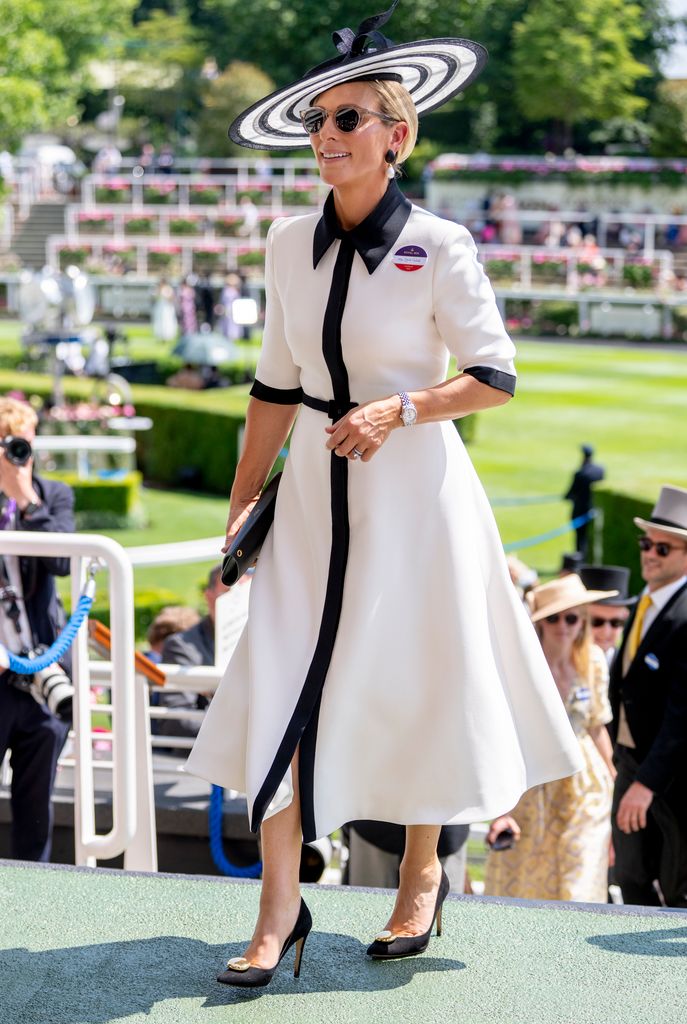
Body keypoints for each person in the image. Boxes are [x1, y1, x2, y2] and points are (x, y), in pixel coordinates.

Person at [185, 2, 581, 988]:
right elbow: (274, 388)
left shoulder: (441, 246)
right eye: (321, 120)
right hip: (313, 504)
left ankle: (420, 871)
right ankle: (280, 909)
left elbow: (494, 375)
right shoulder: (285, 243)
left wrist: (399, 409)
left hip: (418, 501)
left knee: (420, 686)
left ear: (397, 138)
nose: (328, 135)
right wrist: (239, 512)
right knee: (276, 686)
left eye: (349, 119)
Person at [485, 574, 617, 903]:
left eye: (572, 617)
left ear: (582, 621)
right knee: (526, 878)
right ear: (540, 623)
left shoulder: (594, 661)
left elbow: (596, 726)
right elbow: (506, 732)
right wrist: (501, 804)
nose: (563, 626)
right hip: (534, 775)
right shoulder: (523, 664)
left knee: (580, 881)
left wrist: (615, 780)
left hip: (584, 782)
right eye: (553, 618)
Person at [0, 396, 75, 861]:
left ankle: (31, 900)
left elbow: (62, 560)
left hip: (42, 671)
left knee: (34, 809)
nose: (13, 456)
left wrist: (23, 497)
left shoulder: (53, 495)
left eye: (21, 446)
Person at [609, 485, 687, 908]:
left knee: (678, 889)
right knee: (630, 877)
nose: (650, 553)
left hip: (671, 780)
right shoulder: (645, 602)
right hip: (632, 764)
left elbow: (682, 716)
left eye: (663, 547)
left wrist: (646, 783)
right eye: (646, 543)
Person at [156, 566, 228, 746]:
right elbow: (178, 720)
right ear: (209, 597)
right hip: (204, 756)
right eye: (229, 593)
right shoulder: (182, 646)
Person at [579, 565, 634, 666]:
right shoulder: (561, 666)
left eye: (616, 623)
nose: (606, 631)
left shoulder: (630, 666)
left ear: (625, 617)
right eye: (596, 622)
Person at [564, 443, 605, 557]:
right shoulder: (600, 470)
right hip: (594, 509)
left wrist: (566, 497)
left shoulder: (580, 473)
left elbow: (571, 493)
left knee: (580, 538)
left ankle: (580, 560)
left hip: (581, 510)